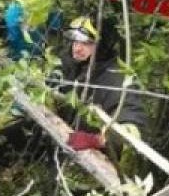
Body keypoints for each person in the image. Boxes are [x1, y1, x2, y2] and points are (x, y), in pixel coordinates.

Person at [59, 16, 148, 172]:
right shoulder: (71, 63)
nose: (77, 48)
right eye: (75, 41)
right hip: (63, 146)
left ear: (102, 46)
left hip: (95, 166)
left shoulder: (115, 78)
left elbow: (132, 123)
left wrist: (97, 140)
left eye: (87, 43)